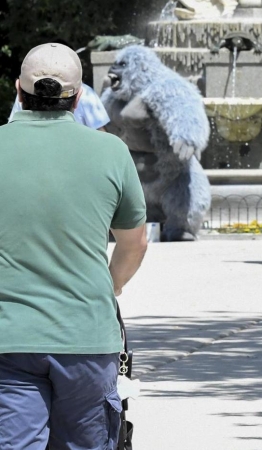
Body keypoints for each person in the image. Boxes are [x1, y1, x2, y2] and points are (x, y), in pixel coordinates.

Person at [0, 43, 147, 449]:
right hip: (86, 336)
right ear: (79, 97)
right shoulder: (111, 152)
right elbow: (134, 244)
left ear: (18, 91)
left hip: (8, 338)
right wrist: (111, 285)